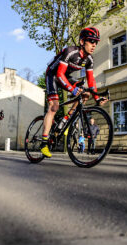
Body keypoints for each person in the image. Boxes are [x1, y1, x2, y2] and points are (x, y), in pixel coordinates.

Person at [40, 27, 107, 158]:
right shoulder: (71, 51)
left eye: (96, 42)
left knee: (86, 94)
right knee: (54, 107)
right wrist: (72, 89)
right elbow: (59, 74)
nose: (94, 44)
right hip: (53, 75)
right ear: (82, 42)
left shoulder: (89, 59)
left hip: (65, 76)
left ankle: (65, 120)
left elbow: (91, 80)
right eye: (91, 41)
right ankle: (43, 143)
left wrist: (97, 97)